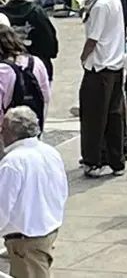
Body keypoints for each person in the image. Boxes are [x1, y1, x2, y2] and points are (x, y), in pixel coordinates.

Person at [0, 106, 68, 278]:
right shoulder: (50, 152)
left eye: (3, 129)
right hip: (46, 231)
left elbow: (3, 205)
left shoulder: (13, 162)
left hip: (25, 239)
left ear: (11, 132)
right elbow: (61, 191)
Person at [79, 0, 127, 177]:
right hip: (116, 65)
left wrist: (83, 56)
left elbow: (93, 39)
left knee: (93, 118)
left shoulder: (102, 4)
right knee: (114, 116)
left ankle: (94, 161)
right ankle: (115, 160)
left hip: (99, 68)